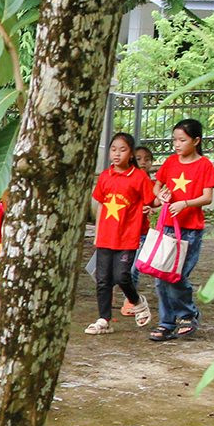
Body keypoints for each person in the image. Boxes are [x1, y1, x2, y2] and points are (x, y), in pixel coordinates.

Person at [149, 117, 214, 342]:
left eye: (182, 140)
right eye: (175, 140)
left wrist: (185, 203)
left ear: (196, 140)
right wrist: (160, 195)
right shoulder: (170, 162)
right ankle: (166, 323)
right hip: (168, 226)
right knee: (161, 277)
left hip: (191, 230)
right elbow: (157, 185)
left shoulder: (204, 165)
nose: (177, 145)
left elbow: (207, 197)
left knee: (177, 275)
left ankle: (188, 314)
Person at [85, 132, 151, 335]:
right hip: (106, 235)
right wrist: (97, 232)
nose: (117, 154)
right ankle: (103, 319)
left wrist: (153, 206)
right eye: (113, 149)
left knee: (122, 276)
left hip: (128, 236)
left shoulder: (139, 177)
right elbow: (102, 205)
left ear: (131, 154)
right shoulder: (105, 176)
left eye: (122, 150)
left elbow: (151, 201)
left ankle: (137, 301)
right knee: (103, 279)